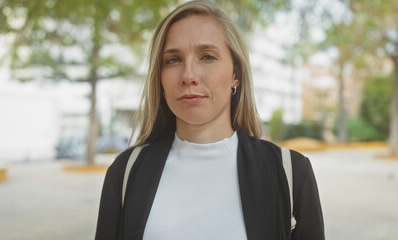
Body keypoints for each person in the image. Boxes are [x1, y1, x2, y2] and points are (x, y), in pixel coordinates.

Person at [95, 1, 324, 239]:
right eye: (173, 60)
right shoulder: (125, 173)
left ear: (235, 74)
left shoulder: (290, 173)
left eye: (206, 56)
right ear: (159, 78)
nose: (188, 76)